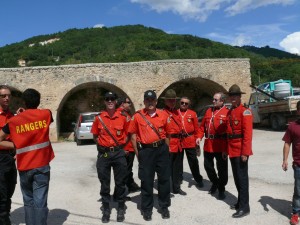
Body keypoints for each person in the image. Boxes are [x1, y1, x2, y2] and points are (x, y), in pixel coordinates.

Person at [0, 88, 55, 225]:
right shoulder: (46, 114)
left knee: (28, 201)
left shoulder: (14, 121)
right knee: (40, 201)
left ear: (23, 102)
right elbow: (41, 119)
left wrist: (16, 145)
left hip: (24, 166)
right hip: (42, 165)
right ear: (39, 101)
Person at [128, 90, 171, 221]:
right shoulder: (138, 116)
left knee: (164, 180)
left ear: (156, 101)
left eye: (152, 100)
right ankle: (147, 209)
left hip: (161, 150)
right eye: (147, 100)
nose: (150, 102)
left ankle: (164, 207)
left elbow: (168, 135)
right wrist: (138, 154)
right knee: (146, 181)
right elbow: (133, 136)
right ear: (144, 101)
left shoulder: (163, 115)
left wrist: (165, 150)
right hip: (146, 151)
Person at [91, 92, 128, 223]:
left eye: (112, 99)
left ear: (116, 101)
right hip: (104, 154)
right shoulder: (99, 118)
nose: (110, 101)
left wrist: (122, 147)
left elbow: (128, 134)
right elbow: (95, 135)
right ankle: (106, 209)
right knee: (104, 183)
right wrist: (101, 146)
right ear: (105, 101)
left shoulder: (123, 117)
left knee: (120, 183)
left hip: (118, 153)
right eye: (107, 99)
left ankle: (121, 207)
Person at [225, 84, 253, 218]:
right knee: (237, 179)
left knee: (242, 179)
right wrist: (226, 150)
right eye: (231, 96)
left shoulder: (245, 111)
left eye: (235, 96)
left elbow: (247, 134)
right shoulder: (230, 111)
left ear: (240, 97)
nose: (233, 98)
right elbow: (228, 133)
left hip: (240, 149)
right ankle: (240, 202)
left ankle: (244, 207)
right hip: (232, 149)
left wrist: (245, 152)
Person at [199, 92, 228, 200]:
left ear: (222, 101)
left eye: (216, 100)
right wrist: (199, 137)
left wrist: (227, 148)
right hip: (209, 144)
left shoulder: (227, 112)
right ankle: (215, 182)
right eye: (213, 99)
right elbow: (202, 127)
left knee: (222, 170)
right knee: (208, 166)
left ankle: (221, 189)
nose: (213, 101)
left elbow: (229, 132)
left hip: (221, 145)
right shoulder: (208, 111)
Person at [161, 89, 186, 195]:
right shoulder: (162, 113)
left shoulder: (176, 112)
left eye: (174, 100)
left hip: (178, 143)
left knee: (177, 168)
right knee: (166, 169)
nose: (172, 102)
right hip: (169, 143)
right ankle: (165, 189)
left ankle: (176, 187)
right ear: (165, 101)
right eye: (170, 100)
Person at [0, 85, 17, 225]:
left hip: (10, 158)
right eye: (3, 96)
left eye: (9, 96)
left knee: (10, 191)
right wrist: (16, 147)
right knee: (2, 195)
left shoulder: (11, 116)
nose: (7, 98)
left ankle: (6, 218)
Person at [178, 97, 204, 188]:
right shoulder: (175, 113)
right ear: (179, 103)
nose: (184, 104)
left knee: (193, 161)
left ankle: (198, 179)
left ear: (188, 105)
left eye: (186, 103)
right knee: (178, 161)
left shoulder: (192, 113)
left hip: (190, 140)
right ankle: (179, 178)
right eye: (182, 102)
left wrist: (197, 139)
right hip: (179, 141)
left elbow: (197, 129)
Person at [282, 100, 300, 225]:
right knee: (298, 190)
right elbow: (287, 143)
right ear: (298, 111)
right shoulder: (292, 126)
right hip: (299, 164)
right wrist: (285, 160)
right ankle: (296, 213)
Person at [117, 97, 140, 193]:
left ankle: (131, 186)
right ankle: (119, 193)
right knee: (124, 170)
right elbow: (121, 133)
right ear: (122, 104)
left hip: (130, 146)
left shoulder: (125, 114)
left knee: (127, 169)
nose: (130, 104)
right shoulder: (121, 115)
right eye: (128, 102)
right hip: (127, 147)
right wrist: (122, 147)